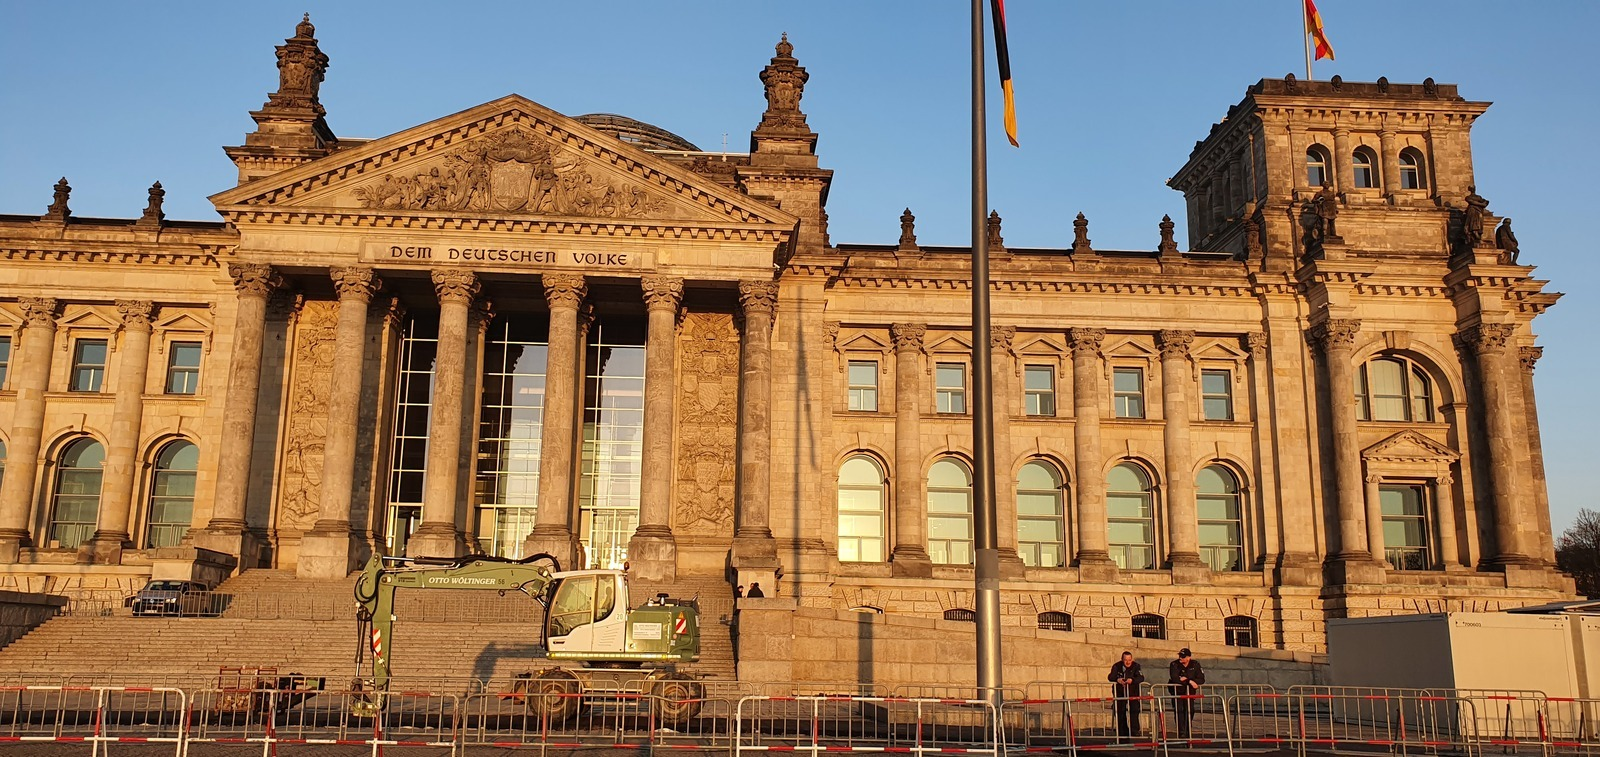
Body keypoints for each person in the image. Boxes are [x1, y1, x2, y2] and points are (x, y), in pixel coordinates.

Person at [1167, 648, 1205, 739]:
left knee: (1190, 710)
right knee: (1179, 711)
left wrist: (1189, 680)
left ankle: (1187, 729)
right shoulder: (1174, 664)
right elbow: (1175, 679)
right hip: (1177, 692)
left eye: (1183, 657)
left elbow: (1201, 679)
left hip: (1190, 693)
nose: (1181, 658)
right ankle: (1182, 732)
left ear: (1189, 657)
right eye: (1180, 656)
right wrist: (1190, 681)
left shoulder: (1195, 664)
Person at [1107, 651, 1144, 742]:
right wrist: (1117, 679)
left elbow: (1141, 677)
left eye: (1129, 660)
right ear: (1122, 660)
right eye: (1125, 660)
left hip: (1133, 692)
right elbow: (1110, 677)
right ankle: (1122, 732)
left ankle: (1135, 730)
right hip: (1120, 692)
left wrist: (1132, 680)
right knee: (1120, 711)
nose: (1128, 662)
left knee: (1135, 710)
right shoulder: (1116, 666)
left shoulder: (1136, 666)